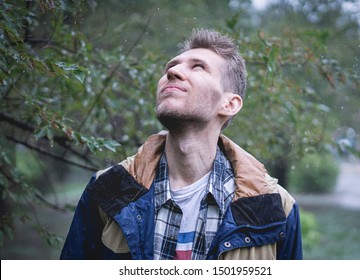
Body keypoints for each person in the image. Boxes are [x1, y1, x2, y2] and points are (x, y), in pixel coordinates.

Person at [60, 29, 302, 260]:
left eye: (198, 67)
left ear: (229, 104)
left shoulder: (276, 208)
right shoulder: (108, 189)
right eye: (171, 67)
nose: (173, 72)